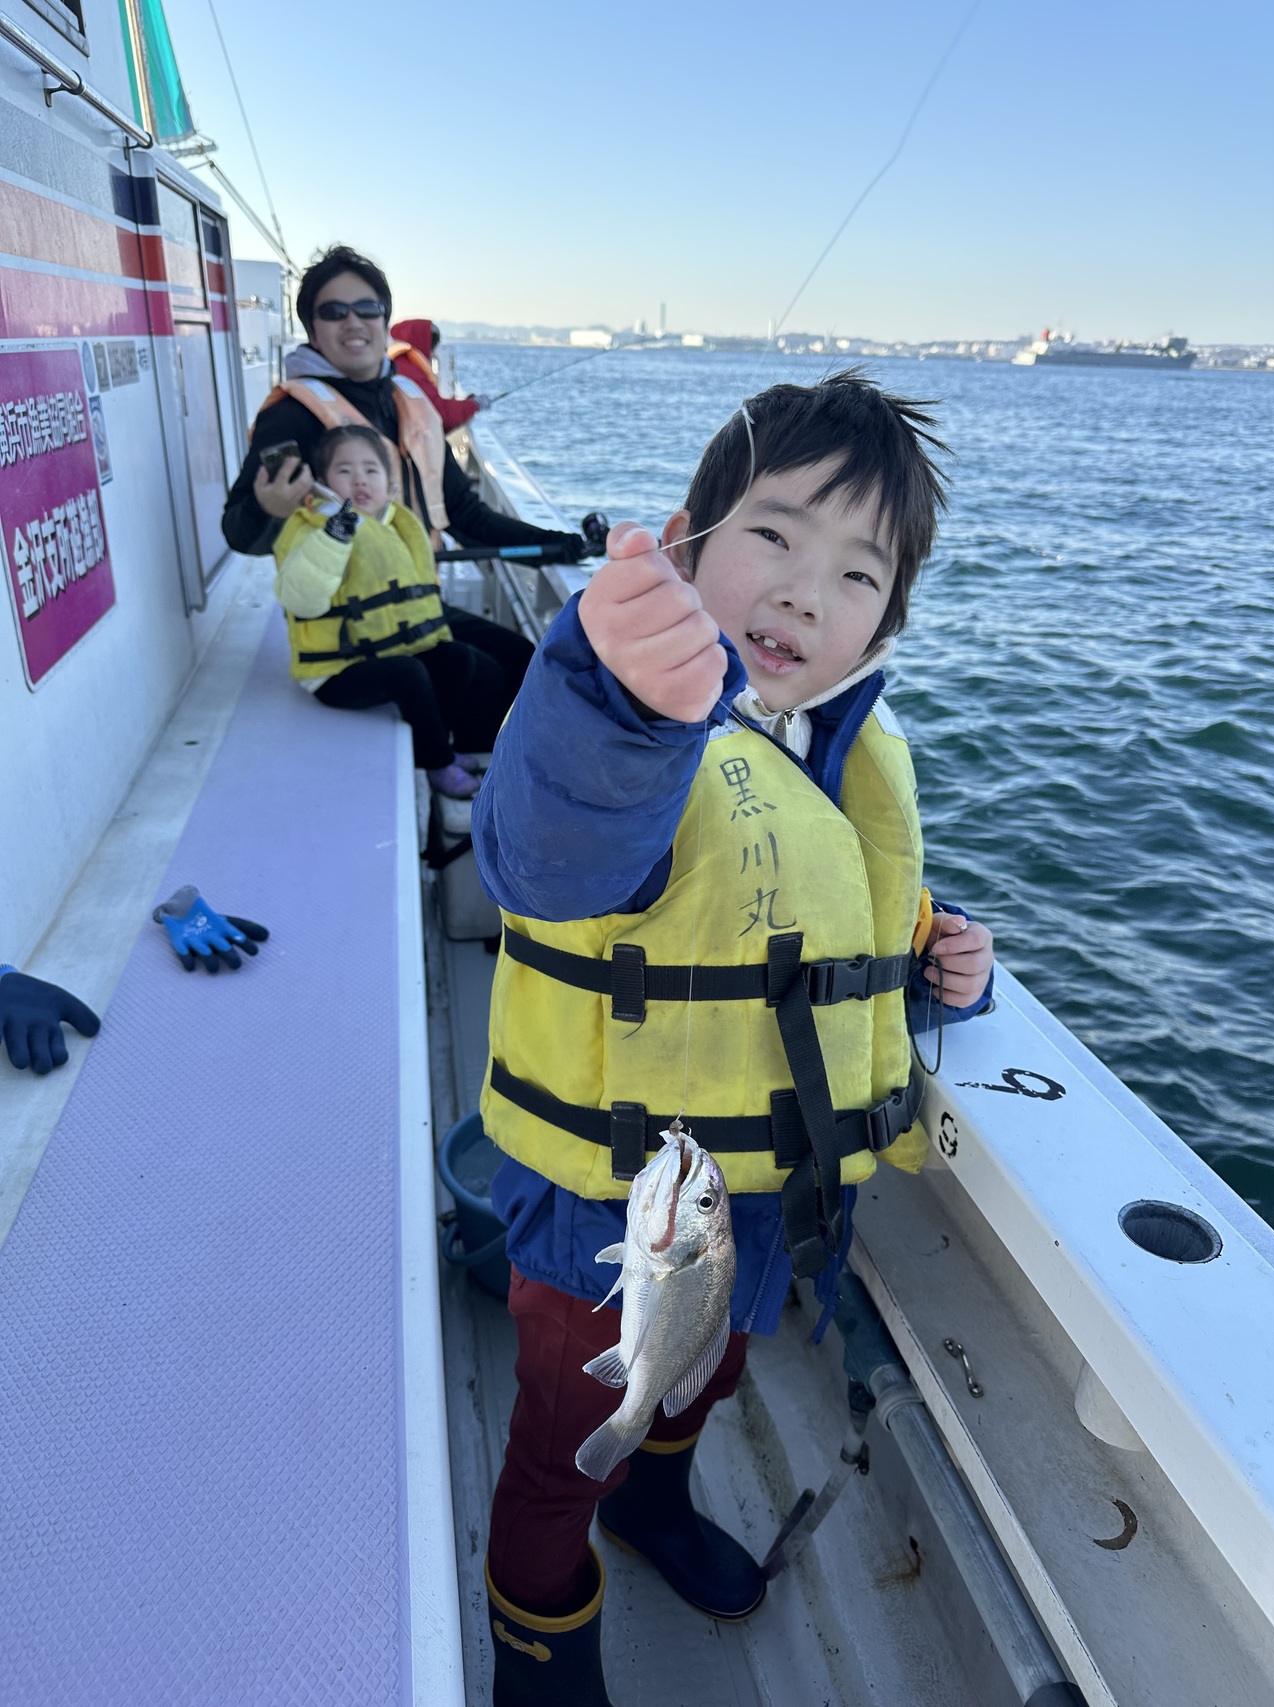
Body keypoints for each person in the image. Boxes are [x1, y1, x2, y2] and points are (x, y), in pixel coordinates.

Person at [470, 371, 996, 1705]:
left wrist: (941, 971)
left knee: (703, 1374)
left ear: (887, 619)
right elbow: (544, 849)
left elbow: (830, 948)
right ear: (684, 541)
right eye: (773, 535)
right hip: (610, 1202)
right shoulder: (626, 726)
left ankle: (654, 1501)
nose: (806, 594)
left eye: (857, 573)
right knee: (566, 1435)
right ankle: (540, 1648)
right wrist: (612, 694)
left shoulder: (840, 752)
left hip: (763, 1199)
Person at [221, 245, 586, 710]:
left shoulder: (408, 401)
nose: (353, 322)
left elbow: (465, 515)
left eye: (366, 308)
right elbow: (241, 533)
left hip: (413, 605)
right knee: (490, 679)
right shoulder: (292, 417)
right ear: (312, 328)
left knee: (523, 661)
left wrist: (557, 543)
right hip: (350, 629)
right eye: (333, 312)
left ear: (384, 320)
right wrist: (268, 510)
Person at [273, 423, 514, 798]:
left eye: (371, 470)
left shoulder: (393, 524)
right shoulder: (316, 527)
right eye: (344, 471)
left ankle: (444, 746)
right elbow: (301, 599)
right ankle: (436, 765)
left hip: (385, 651)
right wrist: (333, 540)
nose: (360, 480)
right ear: (322, 483)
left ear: (389, 482)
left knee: (458, 657)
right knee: (408, 673)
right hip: (334, 671)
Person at [389, 318, 490, 431]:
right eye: (432, 345)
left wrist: (466, 403)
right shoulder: (410, 372)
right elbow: (440, 414)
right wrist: (475, 404)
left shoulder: (398, 364)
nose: (432, 353)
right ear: (420, 342)